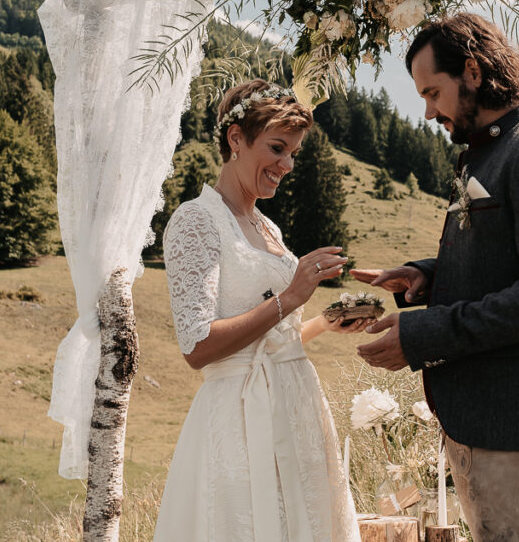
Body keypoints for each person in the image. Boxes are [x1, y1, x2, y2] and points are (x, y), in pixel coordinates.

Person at [353, 13, 519, 541]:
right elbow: (503, 258)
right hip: (484, 417)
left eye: (432, 92)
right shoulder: (486, 154)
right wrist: (426, 275)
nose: (427, 112)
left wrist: (422, 334)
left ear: (472, 71)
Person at [154, 78, 363, 541]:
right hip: (240, 421)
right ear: (235, 139)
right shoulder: (196, 220)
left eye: (293, 153)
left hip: (296, 407)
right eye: (276, 148)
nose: (286, 165)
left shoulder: (267, 227)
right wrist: (290, 297)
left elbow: (274, 342)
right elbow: (198, 345)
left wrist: (328, 321)